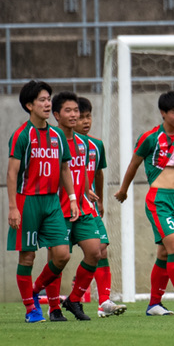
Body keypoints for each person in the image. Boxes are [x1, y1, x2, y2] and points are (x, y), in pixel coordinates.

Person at [114, 90, 174, 316]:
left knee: (164, 253)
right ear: (163, 113)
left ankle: (154, 304)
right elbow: (133, 165)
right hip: (158, 199)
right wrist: (123, 190)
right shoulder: (151, 137)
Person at [6, 80, 79, 323]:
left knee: (62, 255)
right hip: (27, 202)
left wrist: (72, 198)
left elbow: (65, 169)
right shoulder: (21, 135)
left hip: (52, 203)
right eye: (42, 100)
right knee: (27, 257)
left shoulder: (58, 135)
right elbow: (12, 173)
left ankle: (36, 291)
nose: (48, 104)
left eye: (49, 99)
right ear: (29, 105)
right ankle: (31, 309)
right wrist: (13, 207)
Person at [46, 92, 105, 322]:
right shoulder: (50, 140)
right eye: (69, 111)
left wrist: (88, 192)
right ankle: (53, 308)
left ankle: (75, 299)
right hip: (55, 208)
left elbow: (85, 172)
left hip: (81, 207)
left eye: (77, 112)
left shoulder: (86, 144)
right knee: (58, 257)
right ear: (57, 115)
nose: (76, 116)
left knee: (96, 251)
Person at [76, 96, 127, 318]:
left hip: (90, 206)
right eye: (81, 117)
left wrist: (100, 201)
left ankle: (104, 301)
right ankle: (54, 303)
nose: (86, 121)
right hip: (65, 206)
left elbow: (98, 172)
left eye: (89, 116)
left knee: (102, 249)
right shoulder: (63, 142)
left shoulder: (96, 145)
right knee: (58, 255)